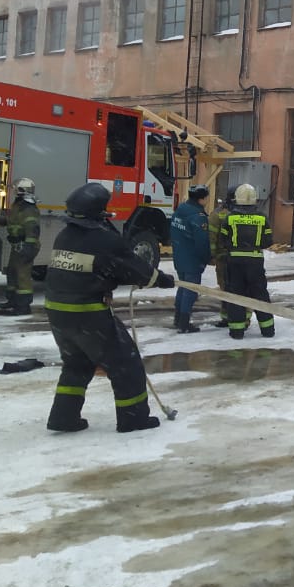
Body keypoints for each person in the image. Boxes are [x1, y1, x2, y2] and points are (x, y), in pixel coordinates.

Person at [43, 182, 175, 433]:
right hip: (87, 313)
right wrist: (160, 279)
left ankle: (63, 417)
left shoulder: (65, 235)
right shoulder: (103, 239)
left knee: (77, 364)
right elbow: (132, 268)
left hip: (57, 312)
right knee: (126, 364)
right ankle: (133, 419)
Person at [222, 183, 275, 339]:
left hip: (235, 262)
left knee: (236, 295)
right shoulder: (262, 218)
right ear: (254, 199)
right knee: (260, 294)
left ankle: (237, 331)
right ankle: (267, 330)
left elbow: (223, 239)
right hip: (255, 263)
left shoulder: (230, 218)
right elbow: (268, 241)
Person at [169, 184, 211, 333]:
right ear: (202, 199)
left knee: (183, 287)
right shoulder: (198, 217)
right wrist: (206, 258)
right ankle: (184, 323)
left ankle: (178, 317)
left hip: (180, 256)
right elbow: (202, 242)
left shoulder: (180, 211)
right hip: (192, 258)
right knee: (191, 290)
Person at [0, 176, 41, 316]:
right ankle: (13, 300)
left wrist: (29, 246)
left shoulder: (29, 208)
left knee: (22, 275)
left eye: (17, 189)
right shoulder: (18, 205)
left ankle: (23, 306)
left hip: (26, 244)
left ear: (23, 190)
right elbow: (13, 221)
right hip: (17, 245)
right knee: (12, 271)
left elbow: (32, 229)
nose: (15, 190)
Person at [207, 187, 236, 328]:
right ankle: (237, 318)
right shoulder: (248, 214)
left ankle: (227, 317)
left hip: (223, 258)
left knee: (225, 287)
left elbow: (211, 238)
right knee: (239, 288)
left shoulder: (218, 214)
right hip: (237, 259)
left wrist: (212, 255)